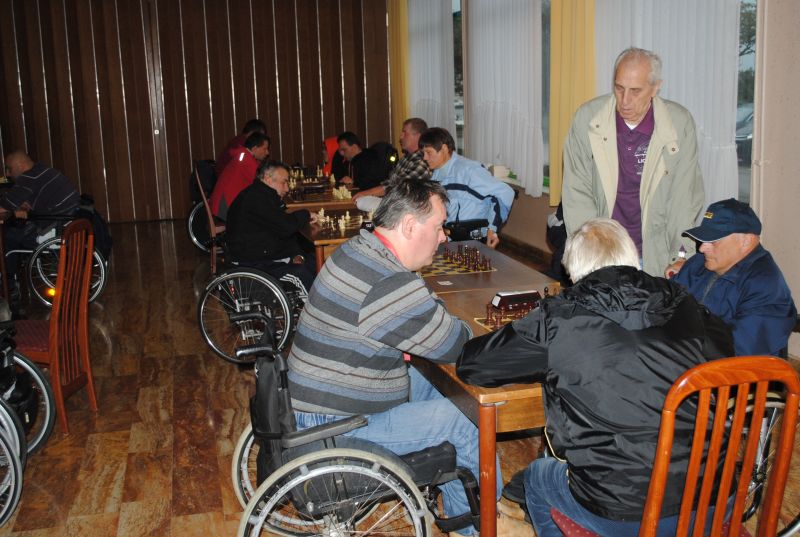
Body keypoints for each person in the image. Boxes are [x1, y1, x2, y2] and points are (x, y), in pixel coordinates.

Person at [457, 218, 734, 537]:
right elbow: (727, 354)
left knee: (536, 478)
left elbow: (474, 365)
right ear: (631, 257)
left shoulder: (558, 316)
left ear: (572, 271)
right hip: (716, 498)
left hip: (625, 513)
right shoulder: (683, 301)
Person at [287, 178, 529, 536]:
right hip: (335, 425)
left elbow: (427, 318)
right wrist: (443, 314)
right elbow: (455, 342)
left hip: (324, 398)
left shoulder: (360, 248)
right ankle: (476, 527)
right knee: (468, 418)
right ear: (410, 225)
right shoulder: (388, 281)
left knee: (444, 387)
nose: (444, 236)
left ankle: (479, 502)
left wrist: (431, 307)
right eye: (439, 226)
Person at [561, 47, 704, 276]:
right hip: (604, 250)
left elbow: (683, 198)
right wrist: (590, 254)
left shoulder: (679, 123)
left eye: (635, 91)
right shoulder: (588, 119)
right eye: (619, 88)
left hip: (655, 251)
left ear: (655, 87)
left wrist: (681, 255)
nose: (625, 101)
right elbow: (577, 194)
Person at [667, 198, 796, 357]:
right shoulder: (700, 262)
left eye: (713, 241)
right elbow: (667, 302)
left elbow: (739, 349)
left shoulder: (766, 285)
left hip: (729, 369)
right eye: (703, 239)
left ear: (746, 241)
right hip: (688, 354)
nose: (702, 248)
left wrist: (676, 342)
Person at [225, 161, 318, 293]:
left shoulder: (263, 195)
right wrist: (306, 213)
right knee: (303, 274)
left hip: (265, 255)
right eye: (284, 182)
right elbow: (286, 226)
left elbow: (282, 230)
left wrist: (297, 254)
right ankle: (314, 305)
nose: (287, 188)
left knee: (316, 261)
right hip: (254, 263)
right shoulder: (256, 199)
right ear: (268, 179)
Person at [418, 127, 514, 249]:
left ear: (444, 149)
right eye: (423, 153)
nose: (425, 158)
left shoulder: (469, 171)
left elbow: (505, 193)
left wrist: (492, 229)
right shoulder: (436, 174)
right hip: (449, 237)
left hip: (472, 238)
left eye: (429, 153)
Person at [2, 151, 81, 289]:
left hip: (55, 228)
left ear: (20, 166)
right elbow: (33, 199)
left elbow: (4, 206)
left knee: (7, 237)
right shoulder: (42, 170)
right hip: (69, 221)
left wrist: (13, 209)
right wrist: (21, 206)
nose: (7, 174)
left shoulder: (28, 178)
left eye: (9, 169)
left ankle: (10, 285)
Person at [352, 117, 431, 212]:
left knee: (361, 204)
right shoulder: (406, 158)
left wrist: (366, 193)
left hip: (409, 210)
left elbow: (397, 186)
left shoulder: (421, 160)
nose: (401, 137)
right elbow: (390, 182)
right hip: (398, 205)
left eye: (404, 133)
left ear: (418, 136)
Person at [208, 132, 270, 220]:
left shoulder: (243, 155)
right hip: (225, 208)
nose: (267, 152)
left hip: (221, 205)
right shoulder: (247, 160)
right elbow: (261, 185)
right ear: (255, 148)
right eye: (265, 149)